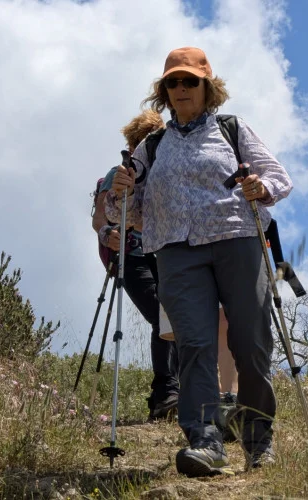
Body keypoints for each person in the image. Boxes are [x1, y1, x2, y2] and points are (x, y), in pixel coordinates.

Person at [107, 47, 292, 476]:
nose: (181, 88)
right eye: (172, 82)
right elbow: (126, 212)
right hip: (175, 250)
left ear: (208, 87)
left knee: (251, 342)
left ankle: (258, 440)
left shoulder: (232, 129)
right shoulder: (152, 146)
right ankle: (206, 441)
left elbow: (278, 177)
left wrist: (260, 187)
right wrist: (121, 190)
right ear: (164, 92)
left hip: (237, 239)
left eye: (190, 80)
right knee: (194, 345)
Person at [92, 110, 179, 421]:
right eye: (141, 141)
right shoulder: (117, 174)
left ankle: (173, 392)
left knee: (174, 315)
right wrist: (107, 233)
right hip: (129, 253)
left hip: (162, 251)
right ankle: (166, 392)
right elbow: (99, 218)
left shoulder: (165, 172)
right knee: (161, 315)